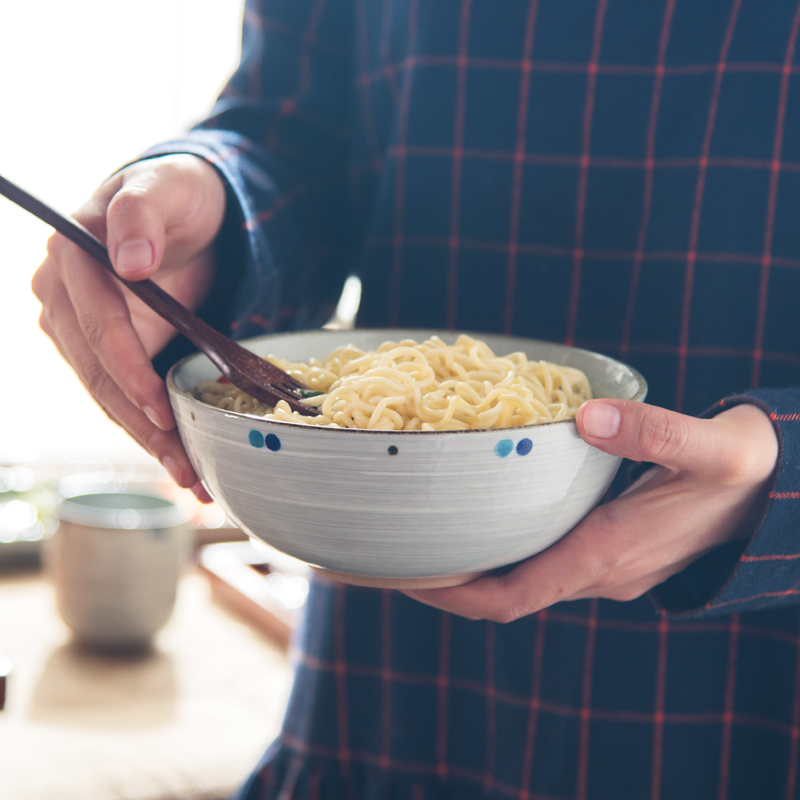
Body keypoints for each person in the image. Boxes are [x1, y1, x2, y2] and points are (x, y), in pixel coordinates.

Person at [32, 1, 800, 797]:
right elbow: (298, 125)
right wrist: (213, 207)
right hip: (399, 656)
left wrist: (786, 476)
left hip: (749, 690)